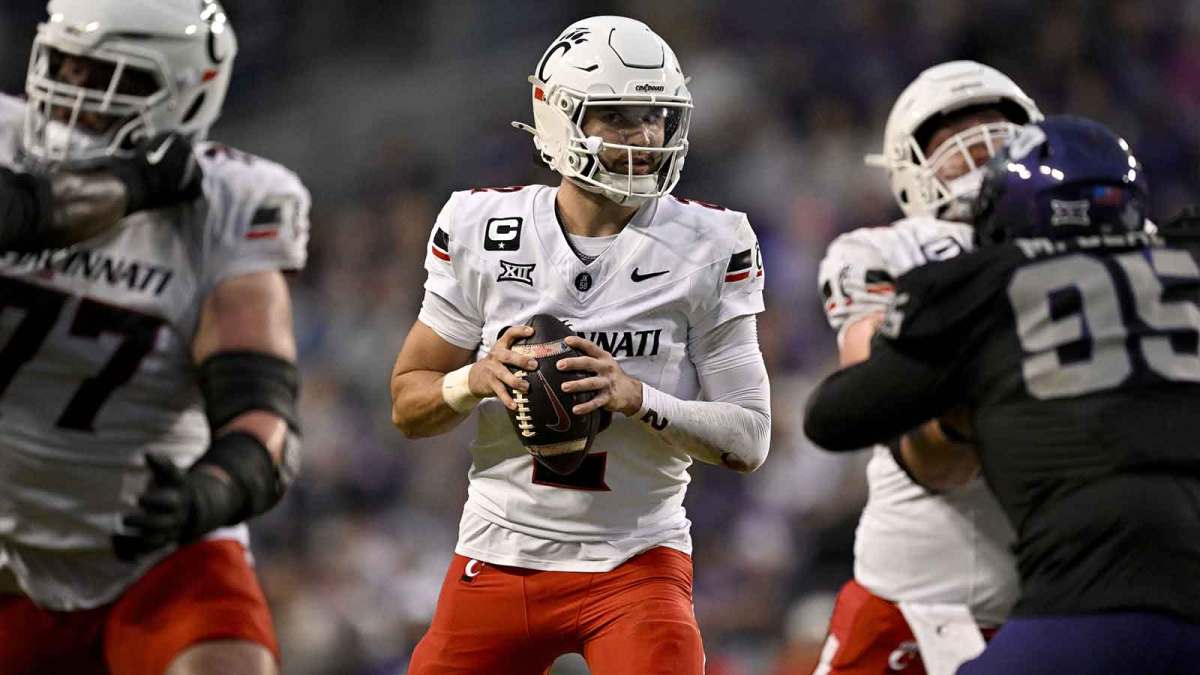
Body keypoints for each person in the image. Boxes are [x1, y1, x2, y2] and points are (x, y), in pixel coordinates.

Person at [390, 15, 770, 675]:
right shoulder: (483, 227)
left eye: (656, 117)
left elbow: (749, 437)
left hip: (636, 559)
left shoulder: (712, 242)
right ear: (561, 119)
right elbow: (407, 401)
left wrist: (636, 396)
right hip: (499, 549)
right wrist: (474, 379)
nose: (645, 136)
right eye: (619, 117)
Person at [805, 116, 1200, 675]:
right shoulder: (1185, 258)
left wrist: (964, 398)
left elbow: (834, 417)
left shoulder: (980, 286)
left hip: (1086, 597)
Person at [0, 2, 311, 674]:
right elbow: (18, 212)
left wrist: (209, 492)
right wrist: (133, 186)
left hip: (155, 551)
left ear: (186, 95)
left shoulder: (229, 201)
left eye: (113, 76)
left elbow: (264, 414)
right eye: (67, 67)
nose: (76, 95)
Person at [812, 61, 1041, 675]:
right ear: (911, 170)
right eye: (953, 144)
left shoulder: (1094, 238)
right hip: (918, 596)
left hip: (1067, 596)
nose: (985, 154)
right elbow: (877, 392)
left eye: (999, 134)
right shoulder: (887, 250)